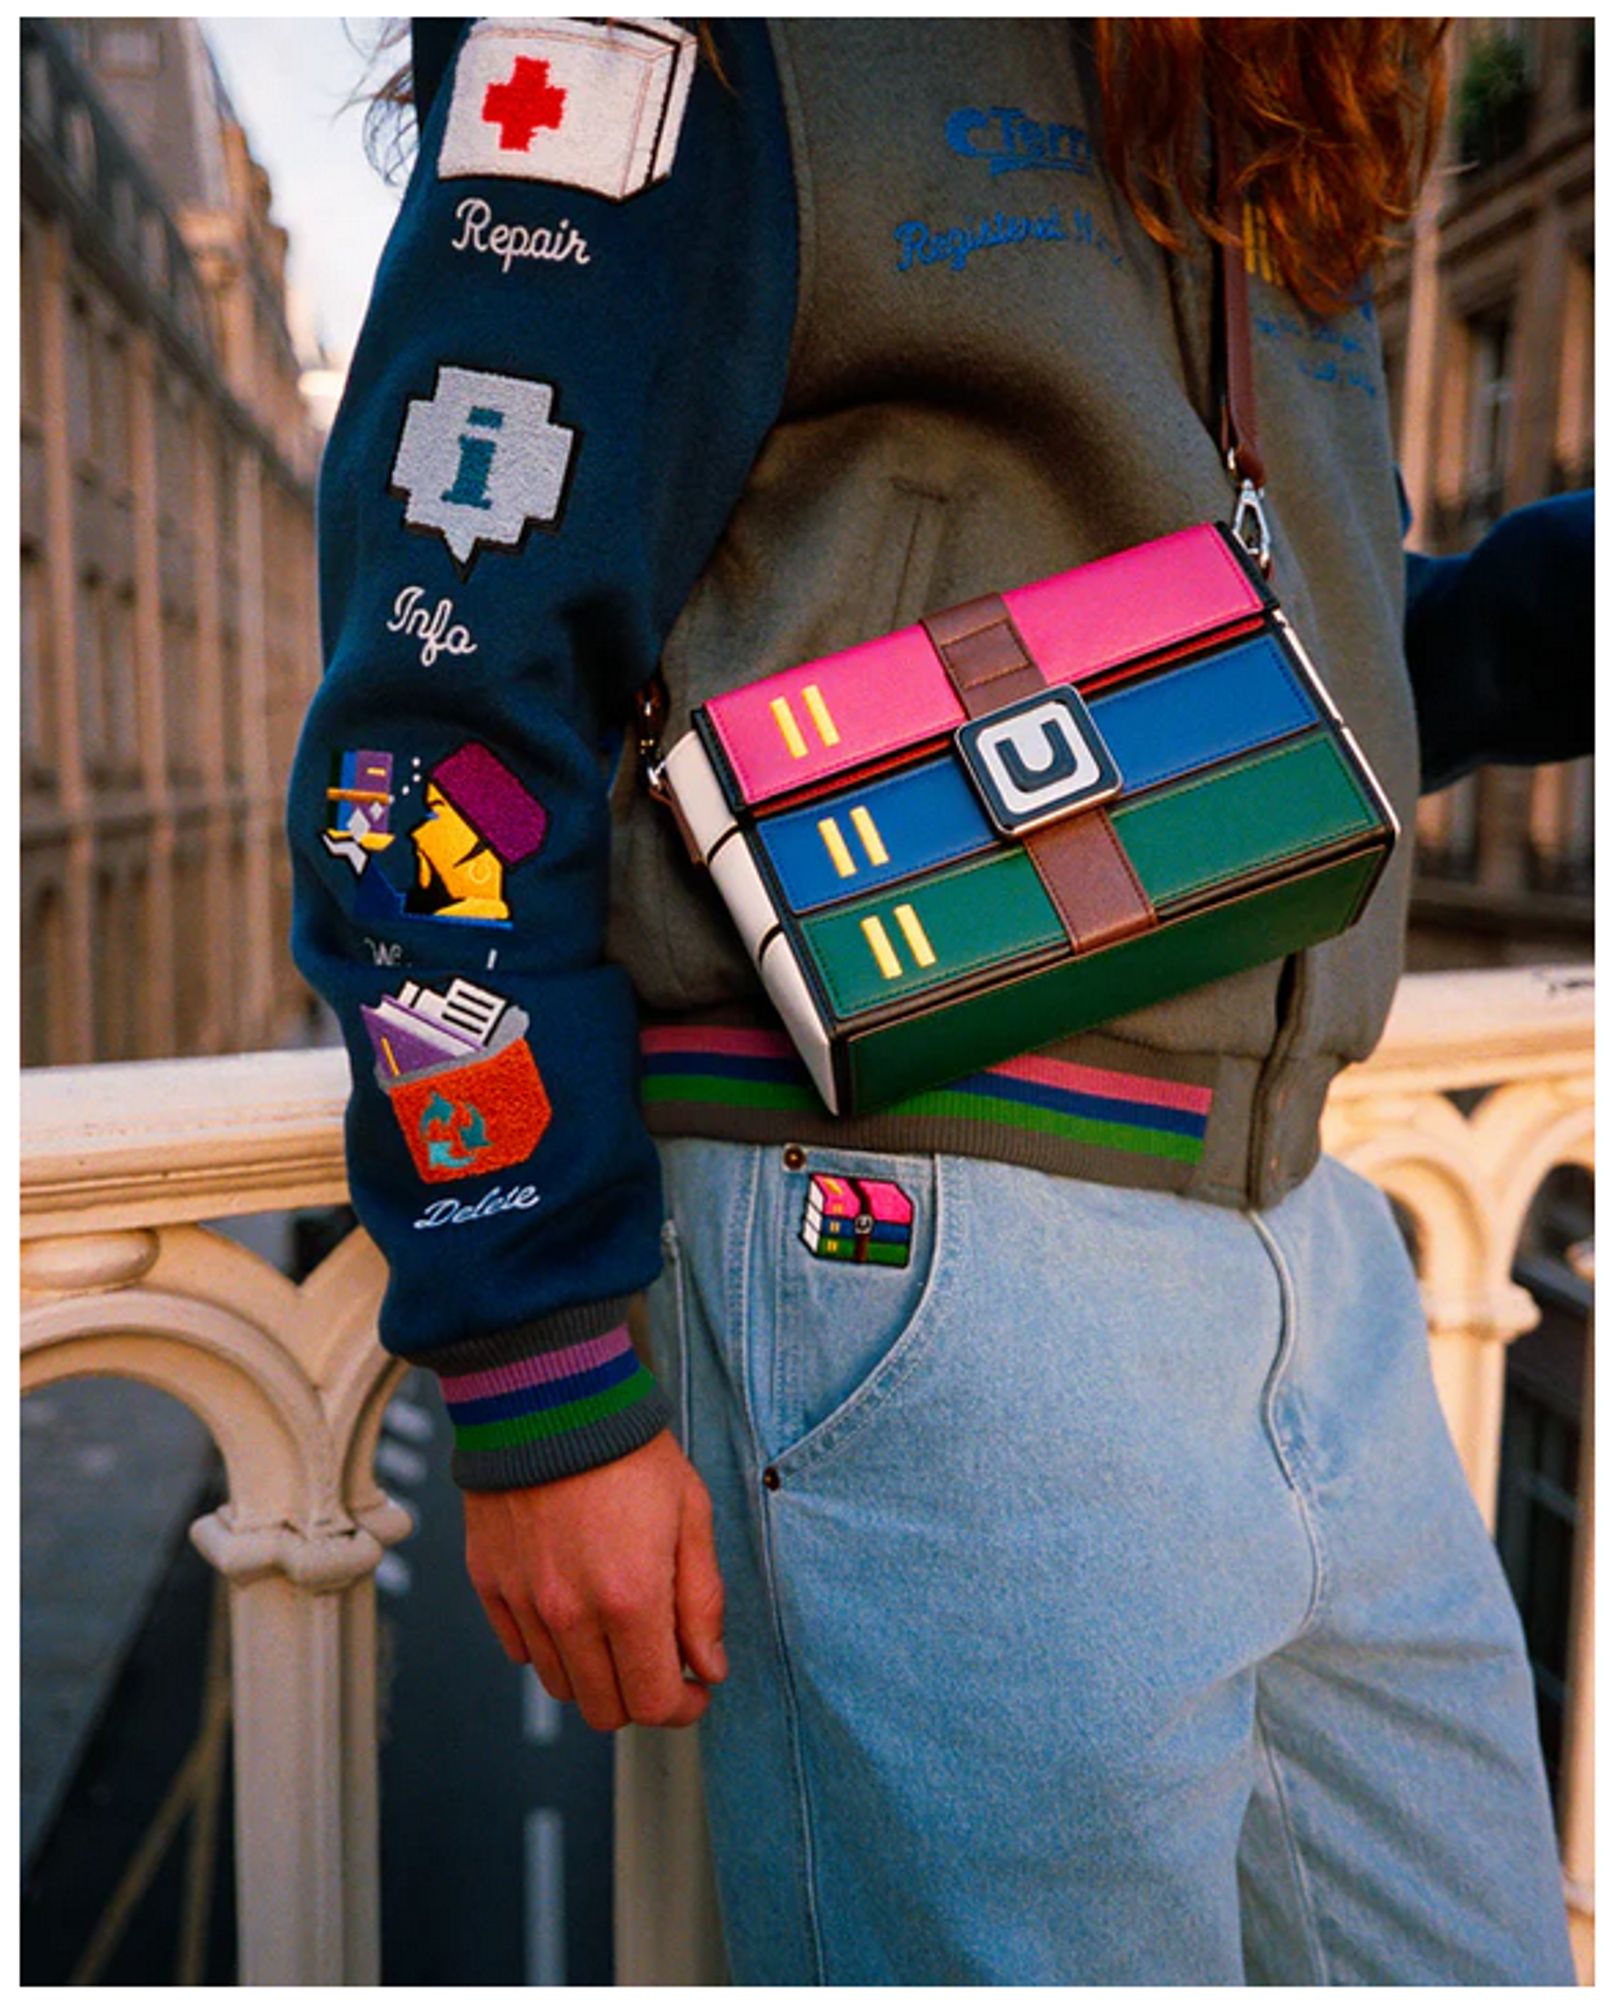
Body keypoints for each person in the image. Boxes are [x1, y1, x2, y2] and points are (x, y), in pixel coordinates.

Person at [290, 18, 1591, 1984]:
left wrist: (1515, 629)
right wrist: (532, 1333)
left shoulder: (1245, 84)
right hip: (925, 1238)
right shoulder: (707, 46)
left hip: (1318, 1247)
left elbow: (1206, 681)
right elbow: (440, 710)